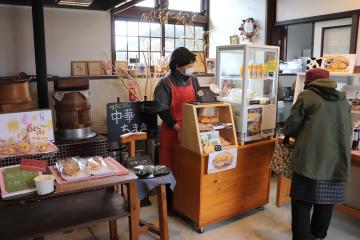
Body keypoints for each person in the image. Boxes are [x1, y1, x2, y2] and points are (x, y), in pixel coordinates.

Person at [285, 68, 352, 240]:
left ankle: (302, 237)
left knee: (301, 202)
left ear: (309, 82)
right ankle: (318, 235)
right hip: (335, 161)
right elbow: (348, 129)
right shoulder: (344, 101)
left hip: (309, 160)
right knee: (326, 201)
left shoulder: (306, 97)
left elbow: (291, 126)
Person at [154, 47, 200, 169]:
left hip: (191, 130)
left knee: (187, 167)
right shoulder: (164, 83)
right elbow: (162, 110)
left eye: (192, 64)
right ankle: (168, 189)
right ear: (177, 66)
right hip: (171, 130)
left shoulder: (194, 81)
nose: (192, 67)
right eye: (189, 65)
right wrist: (178, 129)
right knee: (169, 165)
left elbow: (200, 103)